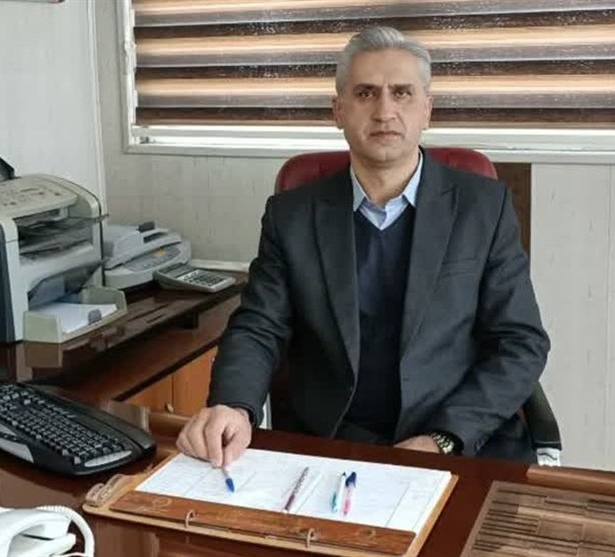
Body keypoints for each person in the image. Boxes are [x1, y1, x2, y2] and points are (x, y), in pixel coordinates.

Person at [176, 26, 550, 468]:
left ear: (427, 110)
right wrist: (233, 405)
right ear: (338, 111)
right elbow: (259, 326)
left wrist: (443, 439)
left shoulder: (483, 207)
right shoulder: (291, 215)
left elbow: (520, 342)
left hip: (457, 441)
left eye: (402, 93)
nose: (385, 111)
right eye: (366, 93)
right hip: (335, 445)